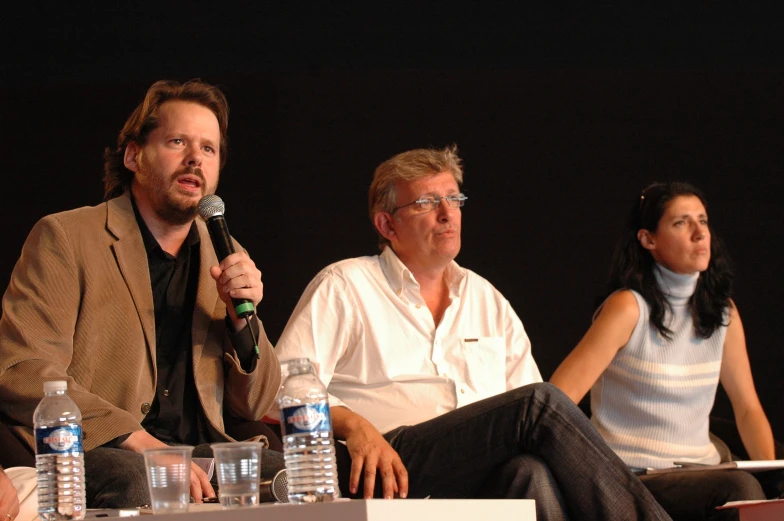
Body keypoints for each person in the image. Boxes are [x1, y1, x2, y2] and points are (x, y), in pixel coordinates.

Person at [275, 146, 671, 521]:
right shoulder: (346, 284)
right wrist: (354, 425)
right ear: (387, 224)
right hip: (390, 459)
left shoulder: (486, 299)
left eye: (454, 199)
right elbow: (277, 393)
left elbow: (536, 425)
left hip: (476, 470)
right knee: (539, 404)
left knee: (530, 472)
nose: (447, 214)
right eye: (427, 203)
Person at [0, 79, 281, 508]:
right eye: (177, 141)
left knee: (286, 476)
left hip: (195, 452)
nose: (194, 159)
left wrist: (243, 319)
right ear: (134, 156)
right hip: (97, 448)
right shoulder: (67, 236)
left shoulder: (227, 255)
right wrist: (137, 439)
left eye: (208, 149)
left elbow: (257, 401)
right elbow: (22, 366)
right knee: (143, 479)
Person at [549, 181, 778, 520]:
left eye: (703, 220)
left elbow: (747, 408)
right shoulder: (628, 309)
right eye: (681, 222)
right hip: (633, 475)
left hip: (703, 471)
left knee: (764, 490)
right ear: (648, 240)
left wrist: (774, 482)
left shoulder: (723, 313)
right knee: (739, 491)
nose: (699, 233)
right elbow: (557, 400)